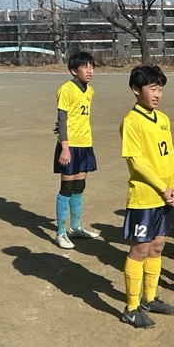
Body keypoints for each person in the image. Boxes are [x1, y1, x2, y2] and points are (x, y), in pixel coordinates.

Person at [119, 65, 174, 329]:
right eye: (152, 88)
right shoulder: (131, 121)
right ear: (136, 90)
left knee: (157, 246)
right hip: (145, 197)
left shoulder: (163, 118)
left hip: (166, 196)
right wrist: (162, 187)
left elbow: (171, 153)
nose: (157, 94)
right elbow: (136, 162)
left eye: (160, 89)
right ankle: (131, 308)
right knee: (140, 249)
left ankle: (149, 298)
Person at [53, 50, 100, 250]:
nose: (90, 71)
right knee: (67, 187)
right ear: (74, 70)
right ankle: (60, 233)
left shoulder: (90, 91)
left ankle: (75, 227)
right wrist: (65, 147)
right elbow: (62, 117)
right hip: (69, 146)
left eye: (92, 66)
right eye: (85, 67)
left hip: (85, 143)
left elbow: (76, 117)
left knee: (79, 186)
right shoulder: (66, 89)